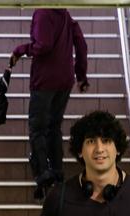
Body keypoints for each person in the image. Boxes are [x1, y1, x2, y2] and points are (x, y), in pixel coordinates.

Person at [9, 9, 89, 200]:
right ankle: (58, 171)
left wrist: (21, 50)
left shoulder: (42, 13)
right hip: (65, 80)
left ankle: (44, 174)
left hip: (45, 81)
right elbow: (81, 43)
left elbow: (43, 45)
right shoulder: (64, 13)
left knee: (37, 128)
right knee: (54, 126)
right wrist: (81, 75)